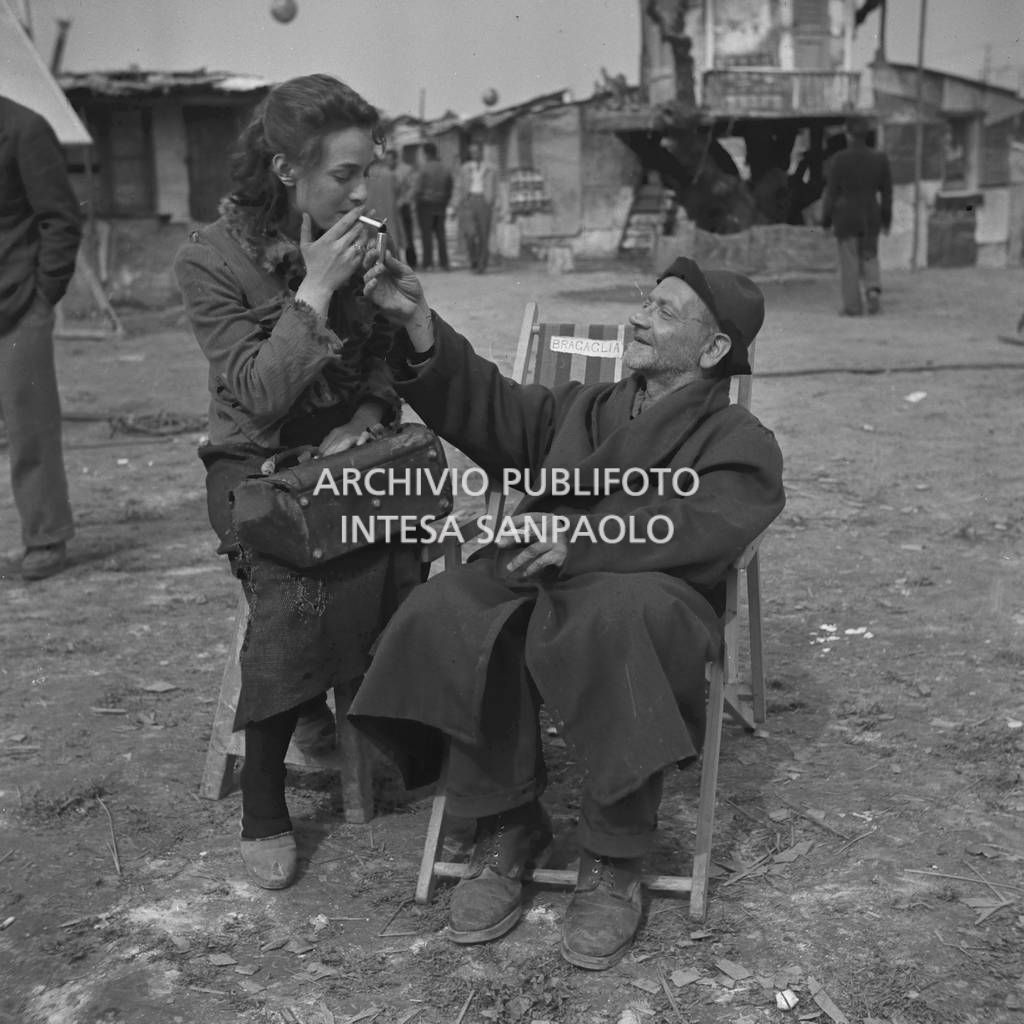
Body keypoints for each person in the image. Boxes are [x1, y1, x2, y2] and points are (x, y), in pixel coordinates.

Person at [350, 252, 786, 969]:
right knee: (449, 603)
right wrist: (420, 324)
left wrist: (579, 536)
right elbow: (488, 405)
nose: (639, 316)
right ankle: (508, 821)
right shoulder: (585, 409)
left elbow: (705, 523)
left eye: (665, 311)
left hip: (651, 595)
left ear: (712, 350)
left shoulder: (737, 439)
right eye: (646, 301)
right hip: (542, 577)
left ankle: (615, 860)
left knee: (615, 619)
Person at [173, 74, 420, 891]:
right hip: (255, 467)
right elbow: (258, 395)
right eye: (343, 174)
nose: (362, 190)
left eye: (366, 171)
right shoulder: (211, 259)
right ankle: (267, 798)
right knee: (293, 578)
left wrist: (367, 415)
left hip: (342, 457)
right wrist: (313, 288)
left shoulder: (359, 236)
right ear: (285, 170)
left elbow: (384, 355)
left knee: (416, 535)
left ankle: (384, 725)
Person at [0, 95, 82, 581]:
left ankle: (46, 537)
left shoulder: (24, 129)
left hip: (16, 304)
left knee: (29, 426)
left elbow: (61, 218)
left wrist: (41, 297)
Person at [822, 116, 892, 316]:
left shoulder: (839, 160)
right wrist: (887, 220)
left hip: (846, 216)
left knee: (850, 260)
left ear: (848, 134)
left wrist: (826, 222)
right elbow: (887, 193)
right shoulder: (880, 159)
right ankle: (872, 289)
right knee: (870, 254)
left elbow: (831, 193)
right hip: (871, 214)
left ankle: (853, 306)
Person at [452, 139, 497, 273]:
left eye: (476, 151)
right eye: (472, 152)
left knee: (484, 234)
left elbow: (496, 188)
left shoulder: (491, 168)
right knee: (470, 233)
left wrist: (496, 203)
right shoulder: (465, 168)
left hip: (484, 201)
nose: (474, 154)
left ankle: (481, 265)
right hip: (469, 200)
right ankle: (473, 259)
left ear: (481, 152)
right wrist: (455, 204)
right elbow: (458, 186)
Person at [413, 142, 453, 271]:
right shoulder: (445, 168)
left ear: (426, 154)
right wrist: (445, 200)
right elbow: (450, 186)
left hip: (425, 204)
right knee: (441, 234)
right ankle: (444, 263)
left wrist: (415, 201)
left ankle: (428, 263)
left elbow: (418, 189)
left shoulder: (424, 169)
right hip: (440, 203)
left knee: (427, 235)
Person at [363, 149, 406, 259]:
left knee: (372, 241)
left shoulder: (365, 176)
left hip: (370, 214)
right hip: (390, 213)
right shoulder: (390, 174)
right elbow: (399, 192)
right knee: (392, 237)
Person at [393, 150, 419, 268]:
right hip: (391, 207)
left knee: (407, 235)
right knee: (392, 234)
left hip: (403, 207)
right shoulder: (386, 171)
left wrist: (403, 201)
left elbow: (412, 188)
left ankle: (412, 261)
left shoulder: (406, 169)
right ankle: (394, 261)